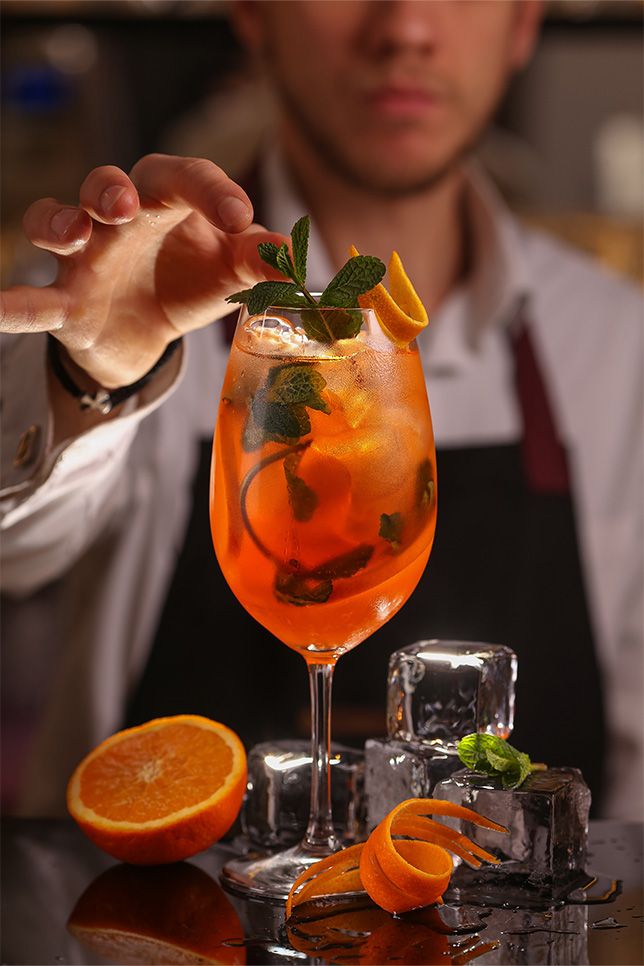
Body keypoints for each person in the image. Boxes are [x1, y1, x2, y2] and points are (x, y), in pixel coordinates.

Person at [1, 0, 641, 822]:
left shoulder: (617, 340)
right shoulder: (124, 288)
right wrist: (95, 372)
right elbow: (18, 553)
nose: (405, 28)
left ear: (523, 23)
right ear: (254, 14)